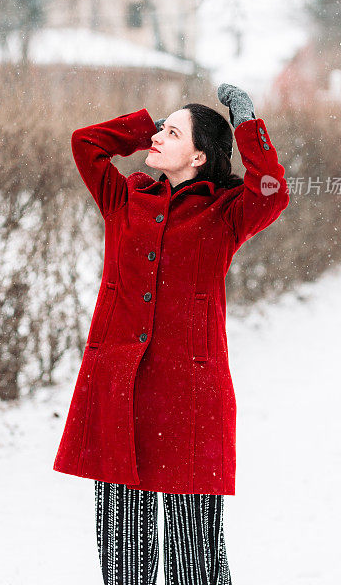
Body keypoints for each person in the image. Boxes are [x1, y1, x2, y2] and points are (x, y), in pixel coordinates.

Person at [53, 83, 290, 585]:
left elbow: (272, 188)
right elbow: (85, 143)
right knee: (122, 557)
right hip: (121, 386)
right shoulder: (125, 199)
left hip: (189, 391)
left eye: (172, 132)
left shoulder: (224, 213)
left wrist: (246, 124)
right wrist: (144, 128)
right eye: (161, 127)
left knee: (195, 560)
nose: (159, 136)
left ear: (200, 155)